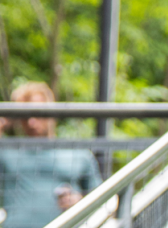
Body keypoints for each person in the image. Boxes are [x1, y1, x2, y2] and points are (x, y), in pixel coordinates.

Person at [0, 82, 103, 228]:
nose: (31, 122)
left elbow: (104, 202)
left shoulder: (78, 154)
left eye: (37, 114)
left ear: (52, 112)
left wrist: (80, 203)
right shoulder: (6, 152)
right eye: (24, 116)